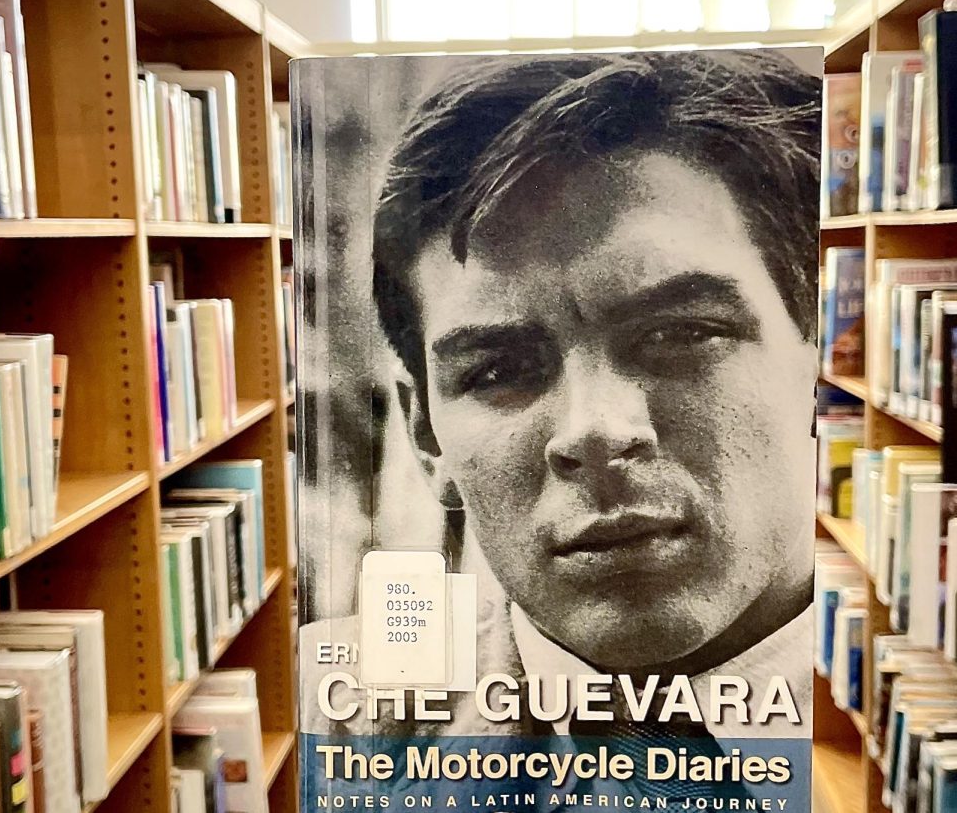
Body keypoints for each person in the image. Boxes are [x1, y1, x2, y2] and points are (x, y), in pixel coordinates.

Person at [299, 49, 821, 747]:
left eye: (682, 332)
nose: (596, 429)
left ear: (823, 363)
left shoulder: (955, 731)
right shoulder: (316, 728)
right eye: (495, 370)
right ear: (426, 434)